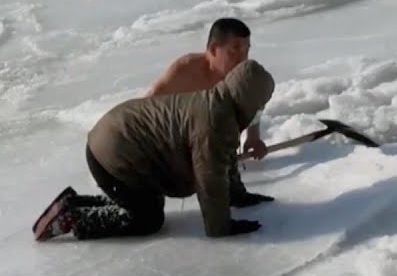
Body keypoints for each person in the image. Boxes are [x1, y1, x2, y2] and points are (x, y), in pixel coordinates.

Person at [32, 60, 275, 241]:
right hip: (113, 154)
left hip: (116, 143)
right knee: (147, 219)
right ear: (250, 101)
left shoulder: (217, 104)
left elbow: (224, 159)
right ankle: (74, 219)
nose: (260, 110)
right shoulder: (215, 121)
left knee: (147, 201)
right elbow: (210, 178)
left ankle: (74, 203)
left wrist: (238, 196)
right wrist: (222, 228)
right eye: (260, 104)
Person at [147, 18, 273, 207]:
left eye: (247, 50)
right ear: (214, 49)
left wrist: (253, 138)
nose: (243, 58)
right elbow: (148, 106)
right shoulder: (186, 70)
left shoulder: (242, 77)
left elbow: (253, 106)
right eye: (235, 50)